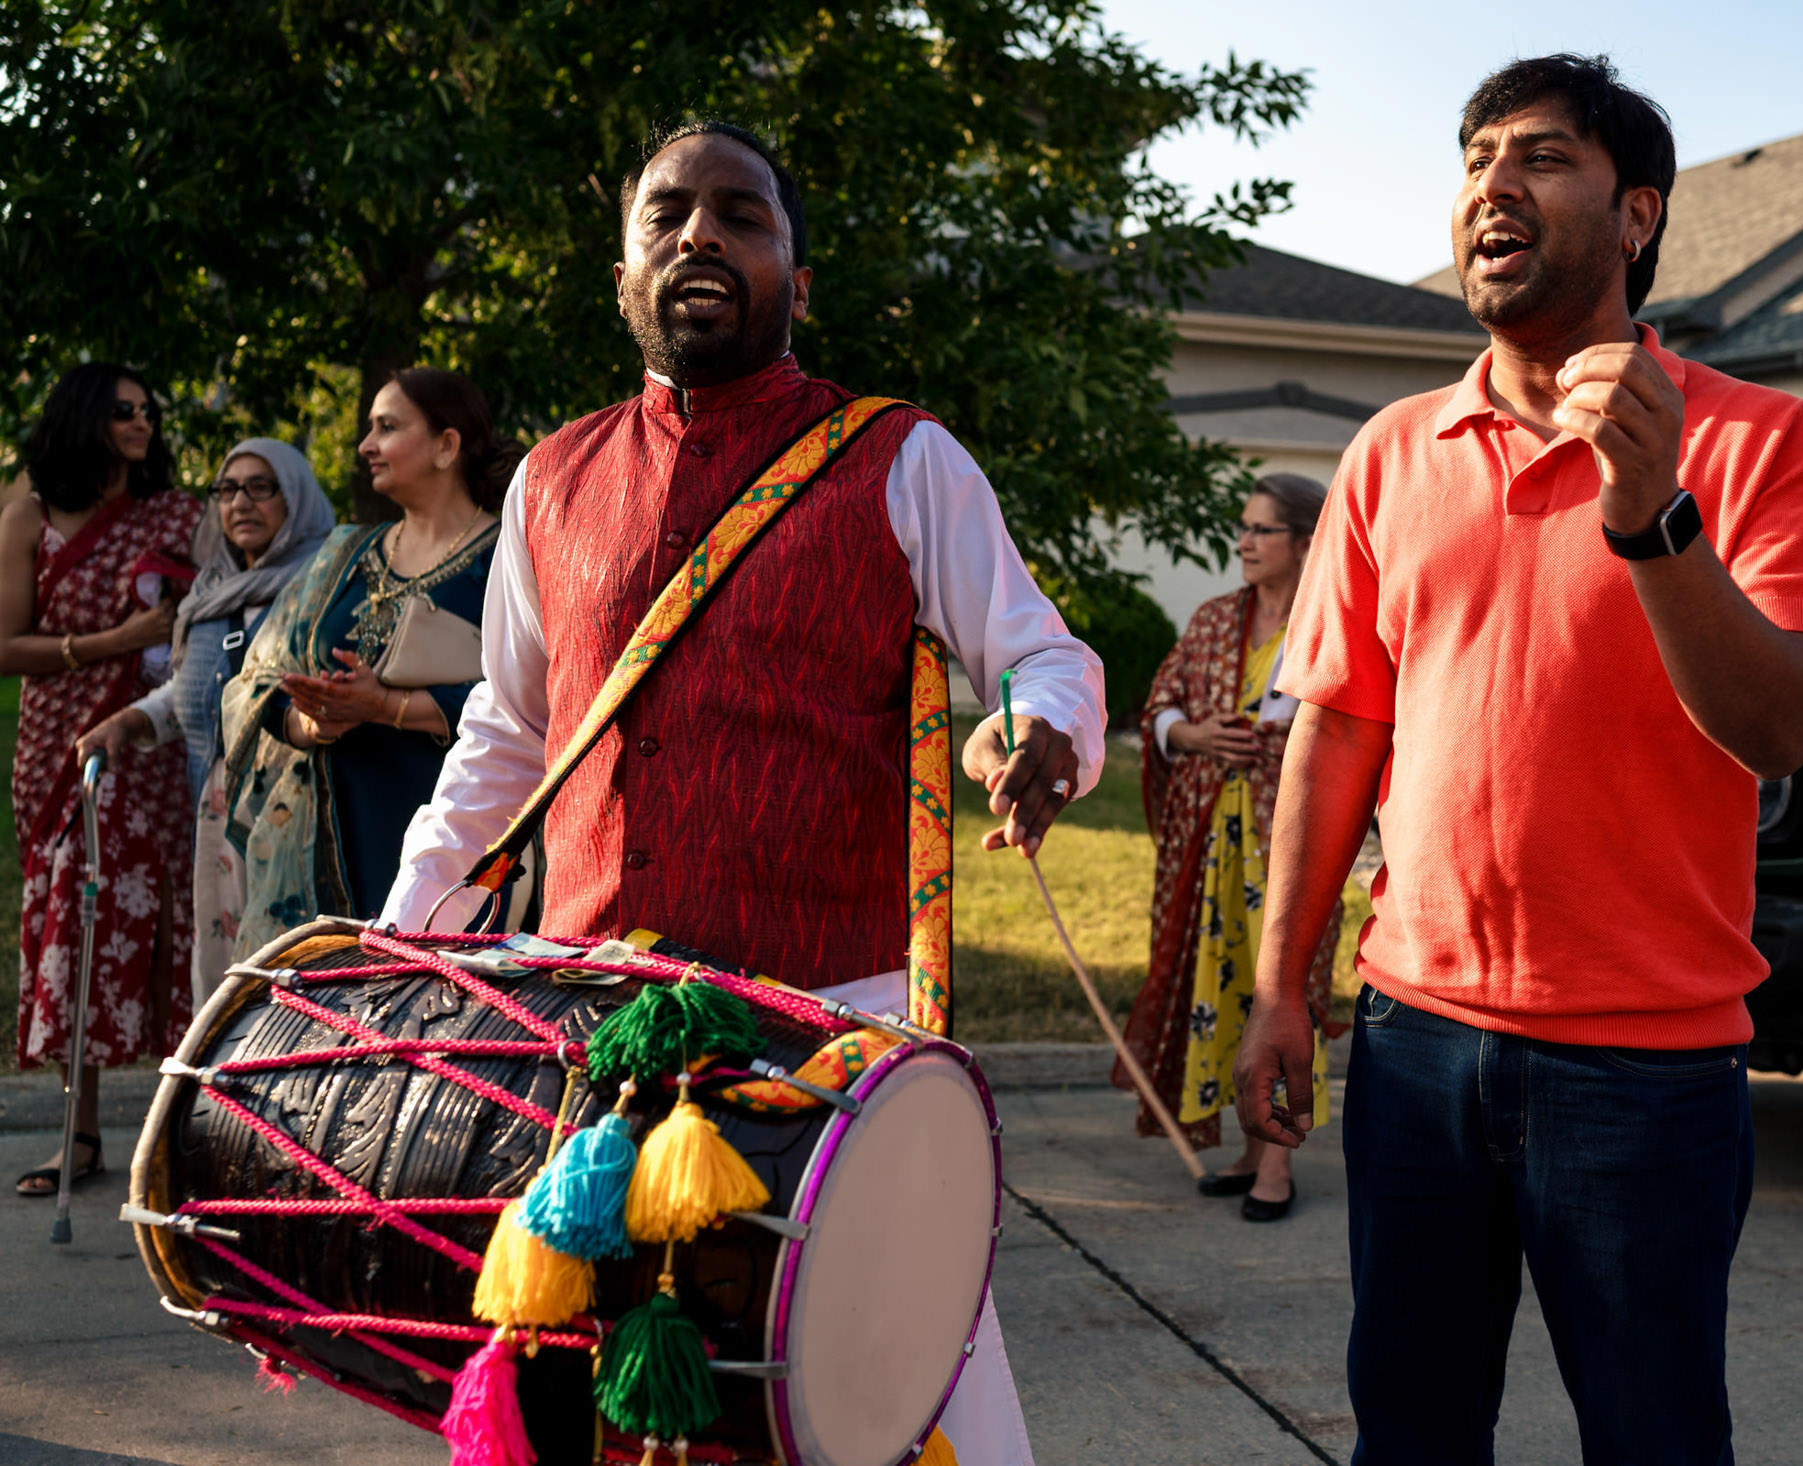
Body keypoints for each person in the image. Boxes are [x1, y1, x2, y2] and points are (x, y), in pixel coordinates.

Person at [379, 122, 1104, 1466]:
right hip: (594, 1042)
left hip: (831, 1034)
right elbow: (507, 732)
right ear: (621, 275)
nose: (699, 235)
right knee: (603, 1413)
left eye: (741, 215)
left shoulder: (901, 457)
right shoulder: (550, 476)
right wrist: (406, 935)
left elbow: (1040, 653)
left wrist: (1037, 732)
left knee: (877, 1407)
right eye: (667, 215)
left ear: (798, 280)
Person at [1232, 55, 1803, 1464]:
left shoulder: (1765, 442)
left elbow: (1779, 726)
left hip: (1646, 1070)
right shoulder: (1393, 452)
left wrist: (1654, 518)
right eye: (1474, 158)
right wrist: (1283, 986)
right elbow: (1336, 728)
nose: (1492, 187)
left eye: (1543, 157)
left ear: (1637, 214)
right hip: (1414, 1049)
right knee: (1412, 1431)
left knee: (1654, 1437)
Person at [221, 369, 512, 956]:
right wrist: (311, 721)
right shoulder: (344, 553)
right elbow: (257, 676)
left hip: (452, 837)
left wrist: (388, 706)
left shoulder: (508, 557)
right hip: (323, 838)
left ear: (446, 446)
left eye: (387, 426)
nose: (365, 444)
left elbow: (535, 699)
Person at [2, 363, 202, 1197]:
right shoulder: (30, 517)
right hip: (59, 744)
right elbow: (6, 646)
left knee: (163, 925)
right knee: (73, 926)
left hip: (154, 748)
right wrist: (114, 640)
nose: (142, 423)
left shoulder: (175, 514)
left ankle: (173, 1139)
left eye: (149, 410)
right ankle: (76, 1137)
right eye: (124, 410)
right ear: (84, 415)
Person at [1123, 471, 1342, 1222]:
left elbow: (1357, 731)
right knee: (1220, 993)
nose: (1244, 542)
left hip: (1294, 842)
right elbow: (1161, 704)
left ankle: (1277, 1162)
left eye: (1262, 530)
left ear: (1308, 541)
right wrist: (1191, 734)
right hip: (1210, 838)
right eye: (1243, 528)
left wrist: (1278, 744)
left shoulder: (1336, 622)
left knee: (1288, 991)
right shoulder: (1215, 619)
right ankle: (1251, 1148)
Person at [76, 439, 336, 1006]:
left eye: (260, 487)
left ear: (295, 496)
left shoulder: (326, 583)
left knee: (292, 975)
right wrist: (126, 722)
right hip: (217, 815)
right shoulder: (208, 594)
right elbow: (189, 694)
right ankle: (224, 1092)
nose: (240, 502)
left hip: (301, 821)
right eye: (227, 489)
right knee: (224, 976)